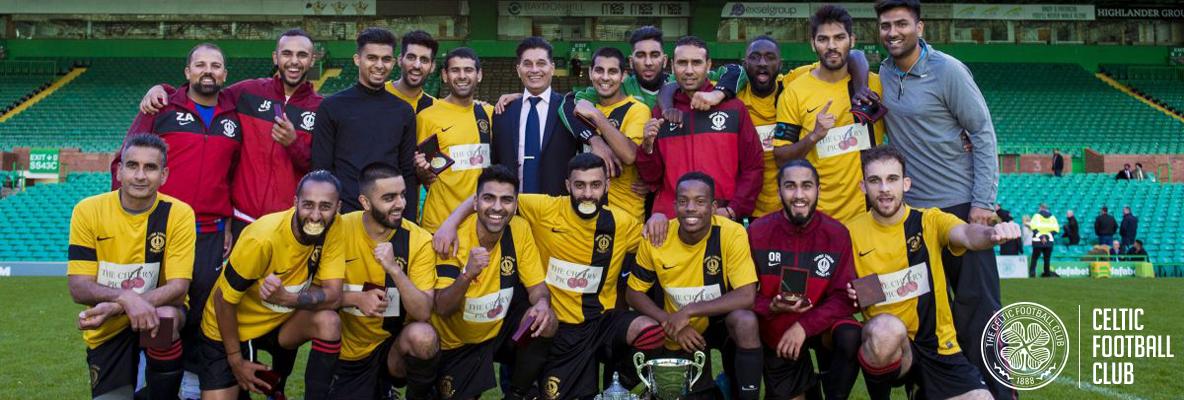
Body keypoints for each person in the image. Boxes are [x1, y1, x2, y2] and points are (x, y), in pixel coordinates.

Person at [435, 154, 664, 399]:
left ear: (606, 186)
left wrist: (658, 215)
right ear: (567, 186)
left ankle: (623, 387)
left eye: (595, 185)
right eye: (579, 185)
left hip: (599, 322)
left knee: (649, 332)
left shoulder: (622, 223)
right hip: (558, 328)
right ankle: (521, 391)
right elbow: (489, 201)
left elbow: (659, 241)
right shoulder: (543, 208)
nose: (587, 193)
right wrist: (450, 222)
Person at [873, 2, 1007, 395]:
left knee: (977, 310)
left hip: (961, 208)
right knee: (925, 312)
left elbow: (981, 133)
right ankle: (935, 388)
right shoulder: (883, 71)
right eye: (885, 25)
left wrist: (983, 202)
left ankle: (1000, 390)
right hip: (913, 215)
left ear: (920, 26)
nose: (893, 31)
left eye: (901, 23)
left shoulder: (948, 70)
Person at [846, 146, 1021, 400]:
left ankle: (921, 391)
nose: (884, 189)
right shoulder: (849, 233)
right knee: (886, 329)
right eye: (875, 180)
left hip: (940, 347)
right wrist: (854, 292)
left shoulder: (930, 220)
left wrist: (992, 235)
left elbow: (967, 235)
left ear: (906, 183)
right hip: (896, 348)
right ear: (863, 186)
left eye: (892, 179)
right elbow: (844, 293)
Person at [114, 43, 241, 380]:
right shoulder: (161, 106)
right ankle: (150, 379)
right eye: (200, 64)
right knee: (157, 307)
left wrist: (227, 221)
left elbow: (230, 175)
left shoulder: (233, 114)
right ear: (187, 73)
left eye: (216, 65)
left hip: (210, 232)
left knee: (202, 309)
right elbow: (124, 160)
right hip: (162, 226)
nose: (208, 70)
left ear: (225, 75)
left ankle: (191, 383)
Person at [137, 29, 324, 242]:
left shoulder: (322, 109)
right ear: (275, 57)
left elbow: (319, 168)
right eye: (287, 53)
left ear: (312, 60)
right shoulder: (248, 92)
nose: (294, 61)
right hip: (242, 220)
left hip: (287, 221)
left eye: (302, 55)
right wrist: (163, 89)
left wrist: (293, 143)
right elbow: (204, 91)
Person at [197, 170, 346, 399]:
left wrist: (288, 298)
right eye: (308, 205)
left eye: (325, 206)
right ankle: (259, 379)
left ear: (338, 208)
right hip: (230, 326)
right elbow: (223, 300)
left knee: (328, 321)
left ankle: (283, 387)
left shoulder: (335, 228)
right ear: (295, 202)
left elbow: (333, 295)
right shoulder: (262, 238)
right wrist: (235, 359)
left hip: (279, 322)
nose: (315, 216)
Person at [70, 135, 196, 399]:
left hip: (156, 315)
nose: (140, 175)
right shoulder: (88, 211)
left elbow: (178, 287)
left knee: (164, 318)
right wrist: (125, 299)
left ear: (164, 175)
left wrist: (121, 303)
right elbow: (78, 287)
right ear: (119, 171)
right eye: (132, 165)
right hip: (108, 327)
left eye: (150, 168)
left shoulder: (179, 213)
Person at [628, 172, 762, 400]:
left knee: (746, 322)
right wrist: (669, 320)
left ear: (713, 207)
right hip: (676, 328)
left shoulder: (732, 232)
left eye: (700, 202)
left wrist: (688, 311)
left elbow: (747, 295)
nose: (690, 208)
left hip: (718, 321)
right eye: (683, 201)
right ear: (674, 205)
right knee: (686, 394)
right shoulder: (657, 237)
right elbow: (633, 293)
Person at [429, 165, 557, 400]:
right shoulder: (452, 237)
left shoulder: (519, 228)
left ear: (515, 205)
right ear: (475, 202)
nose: (498, 207)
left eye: (506, 200)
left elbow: (537, 287)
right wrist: (467, 274)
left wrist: (541, 303)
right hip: (458, 343)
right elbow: (443, 307)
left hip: (498, 331)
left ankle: (518, 393)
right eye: (489, 198)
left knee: (545, 319)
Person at [749, 160, 862, 400]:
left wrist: (804, 326)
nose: (799, 195)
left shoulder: (837, 233)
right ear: (779, 191)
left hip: (821, 326)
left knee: (850, 334)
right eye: (790, 186)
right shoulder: (757, 232)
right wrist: (769, 306)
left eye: (807, 186)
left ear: (818, 190)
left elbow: (845, 297)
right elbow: (740, 291)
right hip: (776, 327)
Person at [329, 163, 439, 399]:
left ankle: (419, 394)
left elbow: (423, 312)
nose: (400, 204)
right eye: (389, 197)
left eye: (402, 194)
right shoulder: (339, 230)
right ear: (365, 202)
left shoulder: (418, 240)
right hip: (347, 352)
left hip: (392, 348)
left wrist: (394, 270)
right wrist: (355, 298)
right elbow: (314, 293)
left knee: (424, 336)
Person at [773, 5, 887, 224]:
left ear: (852, 40)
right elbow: (780, 157)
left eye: (839, 38)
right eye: (823, 39)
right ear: (813, 44)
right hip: (818, 216)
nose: (832, 46)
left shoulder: (874, 85)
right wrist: (814, 136)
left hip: (869, 215)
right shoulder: (795, 92)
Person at [638, 35, 764, 230]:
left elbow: (753, 167)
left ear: (708, 65)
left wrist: (733, 209)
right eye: (682, 63)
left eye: (696, 62)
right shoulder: (662, 112)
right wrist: (647, 147)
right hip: (672, 224)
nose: (689, 70)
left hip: (720, 220)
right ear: (672, 67)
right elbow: (652, 178)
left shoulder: (734, 108)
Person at [312, 27, 419, 215]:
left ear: (394, 62)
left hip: (388, 217)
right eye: (372, 58)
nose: (379, 65)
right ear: (357, 59)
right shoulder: (331, 107)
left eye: (386, 59)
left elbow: (407, 173)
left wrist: (408, 224)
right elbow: (322, 170)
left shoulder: (404, 112)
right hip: (344, 217)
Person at [490, 36, 615, 196]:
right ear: (518, 69)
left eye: (541, 63)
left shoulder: (570, 110)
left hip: (557, 209)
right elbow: (496, 161)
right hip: (511, 209)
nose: (534, 70)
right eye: (527, 64)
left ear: (552, 68)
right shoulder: (503, 112)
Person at [413, 47, 495, 232]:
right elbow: (420, 173)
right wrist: (421, 170)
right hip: (439, 222)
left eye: (468, 70)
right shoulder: (427, 117)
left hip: (479, 225)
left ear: (479, 75)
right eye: (455, 70)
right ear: (444, 75)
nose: (462, 76)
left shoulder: (489, 114)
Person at [566, 47, 651, 221]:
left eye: (612, 71)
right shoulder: (581, 109)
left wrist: (597, 116)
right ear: (590, 73)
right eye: (599, 70)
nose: (605, 77)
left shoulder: (637, 109)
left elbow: (629, 155)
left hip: (626, 219)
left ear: (623, 76)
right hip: (585, 218)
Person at [385, 30, 439, 113]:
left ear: (432, 66)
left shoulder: (434, 108)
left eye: (424, 60)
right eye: (411, 57)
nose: (417, 65)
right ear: (400, 60)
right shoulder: (376, 94)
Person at [1028, 204, 1060, 278]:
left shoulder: (1036, 216)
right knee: (1047, 258)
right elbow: (1056, 230)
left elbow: (1033, 228)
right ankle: (1046, 273)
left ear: (1040, 208)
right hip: (1049, 242)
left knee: (1034, 258)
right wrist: (1047, 237)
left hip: (1037, 241)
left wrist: (1042, 237)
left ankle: (1032, 273)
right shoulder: (1052, 217)